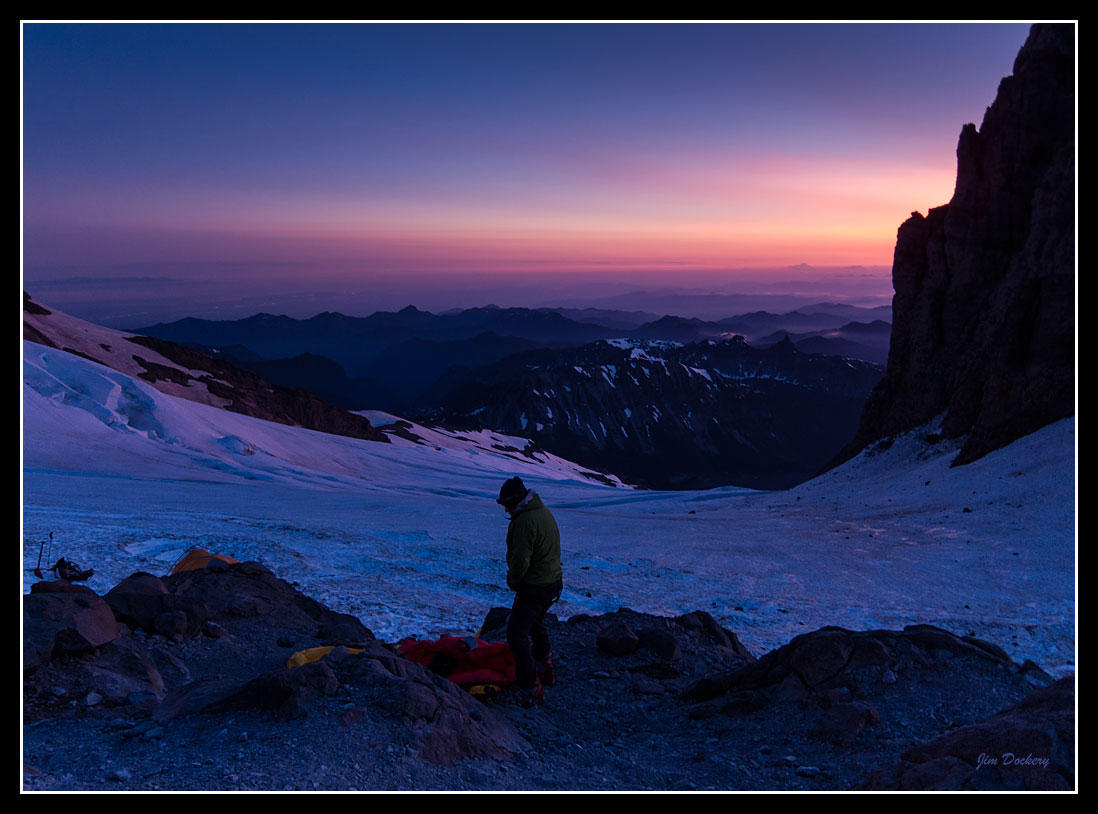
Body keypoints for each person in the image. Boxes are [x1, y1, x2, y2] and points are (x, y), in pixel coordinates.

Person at [497, 476, 562, 707]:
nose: (506, 509)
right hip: (552, 582)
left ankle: (530, 686)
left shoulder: (524, 521)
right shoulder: (542, 511)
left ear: (515, 501)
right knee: (535, 624)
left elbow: (520, 560)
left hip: (535, 586)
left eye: (506, 504)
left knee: (516, 633)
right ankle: (545, 667)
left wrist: (514, 582)